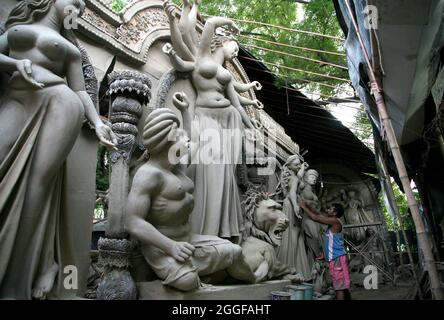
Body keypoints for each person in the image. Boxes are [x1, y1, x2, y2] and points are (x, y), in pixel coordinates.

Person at [0, 0, 116, 299]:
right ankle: (41, 261)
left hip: (60, 102)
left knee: (39, 185)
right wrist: (15, 64)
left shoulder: (71, 49)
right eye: (73, 1)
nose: (76, 7)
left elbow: (79, 90)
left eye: (80, 6)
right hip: (16, 98)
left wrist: (98, 122)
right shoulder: (17, 28)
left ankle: (23, 276)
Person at [162, 0, 261, 241]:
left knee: (224, 172)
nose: (235, 52)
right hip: (204, 117)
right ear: (223, 42)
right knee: (206, 167)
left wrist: (252, 126)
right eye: (234, 47)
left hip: (228, 119)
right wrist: (232, 24)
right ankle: (204, 229)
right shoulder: (201, 55)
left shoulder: (226, 74)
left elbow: (236, 103)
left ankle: (221, 230)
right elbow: (211, 24)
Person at [125, 97, 245, 291]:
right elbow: (132, 221)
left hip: (188, 240)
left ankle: (257, 276)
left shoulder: (177, 166)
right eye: (180, 137)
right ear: (167, 143)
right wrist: (171, 246)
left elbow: (192, 140)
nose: (187, 141)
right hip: (162, 247)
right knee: (188, 282)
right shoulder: (149, 175)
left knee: (235, 251)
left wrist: (185, 111)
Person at [300, 200, 351, 300]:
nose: (327, 210)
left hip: (337, 258)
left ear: (335, 213)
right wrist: (308, 205)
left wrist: (304, 207)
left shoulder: (334, 221)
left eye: (330, 209)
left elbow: (316, 218)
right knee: (341, 284)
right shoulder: (332, 222)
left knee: (338, 287)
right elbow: (317, 214)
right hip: (336, 258)